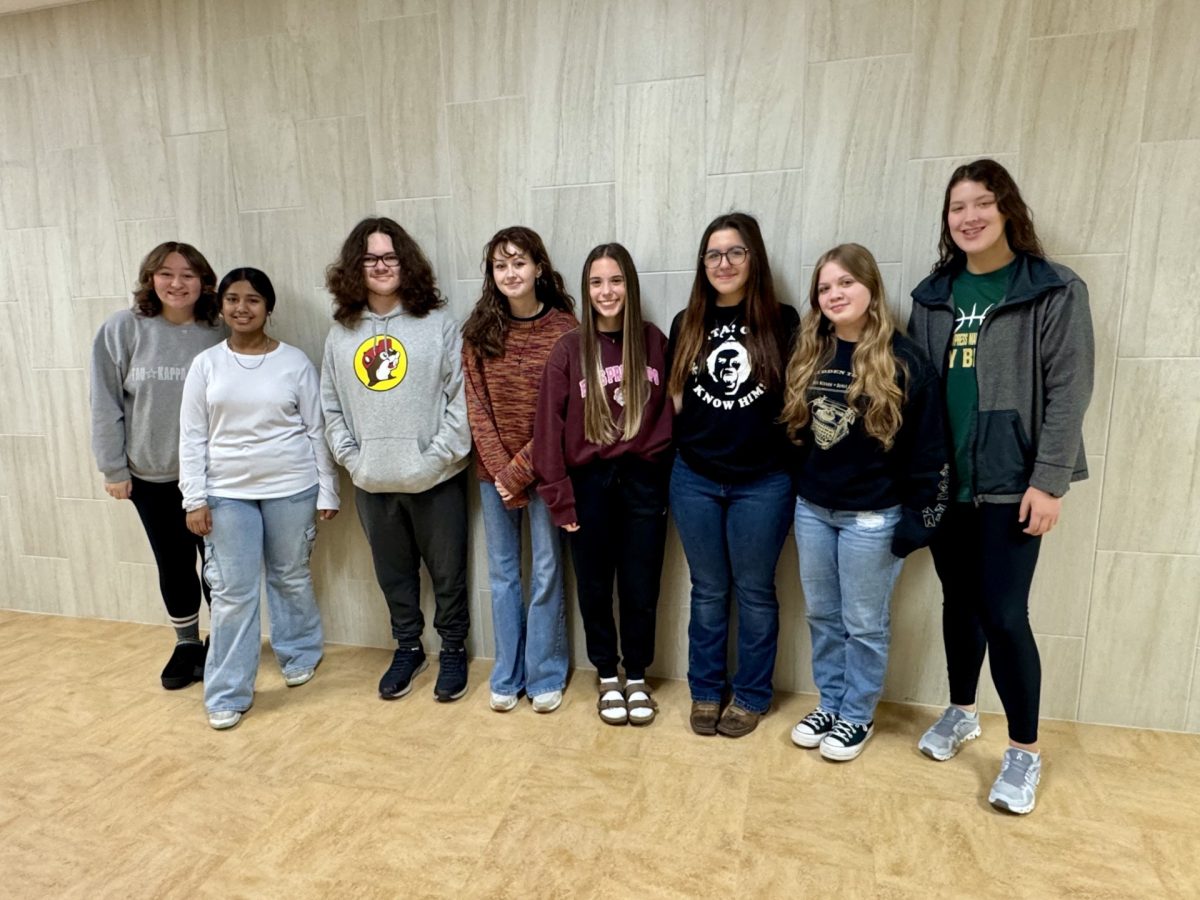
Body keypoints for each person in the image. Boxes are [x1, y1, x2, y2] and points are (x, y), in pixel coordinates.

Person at [909, 159, 1093, 813]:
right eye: (956, 207)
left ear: (1008, 209)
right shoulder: (931, 296)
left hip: (1013, 484)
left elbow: (1070, 392)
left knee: (1006, 616)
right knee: (958, 604)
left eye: (981, 202)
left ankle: (1023, 752)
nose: (968, 217)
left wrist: (1050, 482)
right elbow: (916, 391)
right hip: (946, 483)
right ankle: (962, 712)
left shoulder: (1052, 289)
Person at [781, 244, 947, 761]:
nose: (835, 294)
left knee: (864, 623)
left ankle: (857, 714)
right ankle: (830, 701)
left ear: (871, 287)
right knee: (823, 617)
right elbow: (797, 435)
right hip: (813, 510)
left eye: (845, 283)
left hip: (872, 519)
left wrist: (920, 519)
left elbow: (929, 447)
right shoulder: (810, 351)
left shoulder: (905, 358)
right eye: (825, 288)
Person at [320, 217, 472, 702]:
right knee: (393, 576)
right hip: (372, 481)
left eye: (390, 256)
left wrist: (433, 460)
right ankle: (408, 647)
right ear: (354, 268)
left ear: (406, 263)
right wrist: (354, 461)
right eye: (370, 258)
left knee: (449, 575)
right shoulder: (341, 334)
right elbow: (331, 407)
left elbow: (462, 400)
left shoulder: (439, 326)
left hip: (436, 479)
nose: (381, 266)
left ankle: (452, 650)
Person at [179, 268, 338, 730]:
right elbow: (191, 437)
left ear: (268, 307)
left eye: (252, 300)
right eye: (232, 299)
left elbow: (316, 430)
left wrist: (327, 488)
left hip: (291, 487)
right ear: (221, 305)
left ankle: (300, 652)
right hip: (226, 493)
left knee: (290, 575)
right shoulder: (207, 364)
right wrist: (194, 498)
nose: (242, 308)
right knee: (232, 592)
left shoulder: (294, 362)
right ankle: (227, 690)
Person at [667, 212, 799, 738]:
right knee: (707, 590)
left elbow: (796, 402)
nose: (724, 263)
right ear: (703, 264)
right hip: (695, 477)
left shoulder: (783, 320)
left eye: (735, 252)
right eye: (714, 254)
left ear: (754, 258)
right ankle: (705, 691)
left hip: (763, 482)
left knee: (755, 591)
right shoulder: (687, 322)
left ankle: (750, 695)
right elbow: (677, 401)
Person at [534, 243, 673, 726]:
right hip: (588, 484)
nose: (606, 291)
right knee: (594, 586)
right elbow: (547, 429)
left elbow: (673, 415)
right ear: (586, 289)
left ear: (629, 286)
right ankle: (608, 674)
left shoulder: (654, 341)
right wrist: (558, 496)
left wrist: (663, 480)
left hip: (643, 483)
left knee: (640, 585)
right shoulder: (570, 349)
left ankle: (637, 674)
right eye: (596, 282)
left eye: (615, 281)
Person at [90, 242, 223, 689]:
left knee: (220, 568)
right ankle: (187, 642)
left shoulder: (219, 332)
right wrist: (114, 468)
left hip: (214, 475)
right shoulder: (122, 329)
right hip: (150, 475)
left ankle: (224, 642)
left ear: (204, 282)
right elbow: (104, 402)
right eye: (166, 273)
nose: (177, 283)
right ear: (151, 279)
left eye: (189, 275)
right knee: (173, 563)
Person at [461, 227, 577, 714]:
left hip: (547, 472)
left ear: (539, 268)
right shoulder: (478, 331)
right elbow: (476, 407)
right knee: (505, 575)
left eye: (519, 263)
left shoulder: (567, 329)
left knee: (548, 570)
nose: (510, 273)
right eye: (500, 265)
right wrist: (502, 474)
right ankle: (507, 672)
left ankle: (546, 671)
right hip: (493, 475)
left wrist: (521, 471)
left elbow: (566, 414)